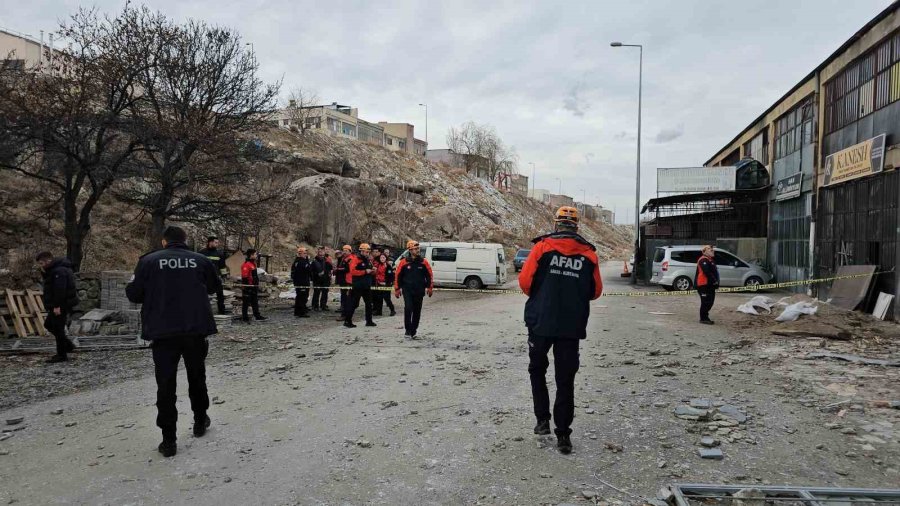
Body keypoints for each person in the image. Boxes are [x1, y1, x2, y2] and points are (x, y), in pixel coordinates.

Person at [125, 226, 220, 458]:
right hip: (194, 329)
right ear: (185, 241)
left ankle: (169, 440)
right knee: (197, 376)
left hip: (163, 332)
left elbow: (134, 294)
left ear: (164, 241)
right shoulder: (200, 260)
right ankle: (199, 421)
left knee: (165, 385)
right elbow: (215, 287)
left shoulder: (148, 261)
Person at [519, 206, 602, 454]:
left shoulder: (542, 248)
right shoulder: (589, 254)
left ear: (556, 225)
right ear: (576, 226)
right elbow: (595, 292)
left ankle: (542, 421)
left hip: (540, 323)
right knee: (565, 379)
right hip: (570, 326)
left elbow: (525, 283)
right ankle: (563, 434)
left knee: (537, 370)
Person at [36, 252, 78, 363]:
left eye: (41, 263)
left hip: (61, 305)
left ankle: (62, 355)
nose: (41, 266)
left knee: (58, 329)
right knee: (49, 324)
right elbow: (51, 284)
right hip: (60, 304)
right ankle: (68, 345)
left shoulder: (59, 271)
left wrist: (57, 306)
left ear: (48, 261)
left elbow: (60, 290)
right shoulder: (56, 270)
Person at [394, 240, 433, 339]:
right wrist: (397, 288)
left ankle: (413, 331)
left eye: (418, 248)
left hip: (419, 290)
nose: (417, 250)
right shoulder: (404, 262)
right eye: (415, 249)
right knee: (408, 308)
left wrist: (430, 287)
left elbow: (429, 275)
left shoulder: (423, 262)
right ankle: (408, 330)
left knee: (417, 311)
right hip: (407, 290)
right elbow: (398, 276)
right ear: (410, 250)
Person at [345, 243, 376, 328]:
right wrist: (365, 271)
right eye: (366, 251)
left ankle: (369, 321)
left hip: (367, 286)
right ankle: (347, 321)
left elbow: (370, 271)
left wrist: (373, 271)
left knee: (369, 304)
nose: (367, 253)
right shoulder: (356, 259)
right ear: (361, 251)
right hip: (357, 286)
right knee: (354, 304)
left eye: (368, 252)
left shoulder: (368, 260)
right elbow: (353, 272)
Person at [198, 236, 229, 314]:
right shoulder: (201, 253)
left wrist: (224, 276)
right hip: (204, 278)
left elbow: (222, 266)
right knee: (202, 296)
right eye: (216, 242)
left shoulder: (219, 254)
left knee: (220, 296)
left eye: (217, 242)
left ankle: (222, 312)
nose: (217, 244)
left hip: (216, 278)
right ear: (210, 242)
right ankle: (202, 312)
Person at [695, 245, 720, 325]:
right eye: (709, 249)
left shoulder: (710, 260)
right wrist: (714, 280)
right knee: (705, 302)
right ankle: (703, 318)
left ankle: (705, 317)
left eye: (712, 249)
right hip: (703, 285)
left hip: (710, 285)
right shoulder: (703, 260)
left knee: (710, 302)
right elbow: (707, 272)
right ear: (704, 252)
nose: (712, 250)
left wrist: (715, 282)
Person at [240, 249, 266, 323]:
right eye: (255, 254)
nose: (256, 256)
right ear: (251, 255)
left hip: (253, 286)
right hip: (248, 287)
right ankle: (245, 318)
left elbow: (254, 276)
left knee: (255, 302)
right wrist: (247, 287)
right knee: (246, 303)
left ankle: (257, 316)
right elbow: (244, 277)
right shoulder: (246, 264)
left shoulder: (253, 264)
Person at [291, 246, 312, 318]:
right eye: (304, 253)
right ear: (300, 254)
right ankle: (301, 312)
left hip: (300, 281)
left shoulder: (296, 261)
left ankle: (298, 311)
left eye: (306, 253)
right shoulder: (301, 262)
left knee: (300, 296)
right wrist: (308, 261)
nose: (306, 255)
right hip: (302, 282)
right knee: (302, 297)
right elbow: (309, 269)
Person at [334, 245, 353, 321]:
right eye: (344, 250)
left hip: (348, 281)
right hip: (344, 280)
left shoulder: (350, 258)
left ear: (350, 251)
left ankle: (345, 315)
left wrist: (338, 269)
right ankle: (344, 313)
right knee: (344, 297)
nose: (344, 252)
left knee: (346, 298)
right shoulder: (344, 258)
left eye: (346, 251)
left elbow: (348, 269)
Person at [311, 247, 331, 311]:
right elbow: (311, 271)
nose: (321, 255)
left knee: (325, 293)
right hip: (317, 280)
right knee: (316, 293)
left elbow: (330, 268)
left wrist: (329, 274)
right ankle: (315, 306)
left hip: (326, 280)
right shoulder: (314, 261)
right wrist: (317, 274)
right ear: (317, 253)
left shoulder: (327, 260)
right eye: (320, 254)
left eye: (323, 254)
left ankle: (323, 305)